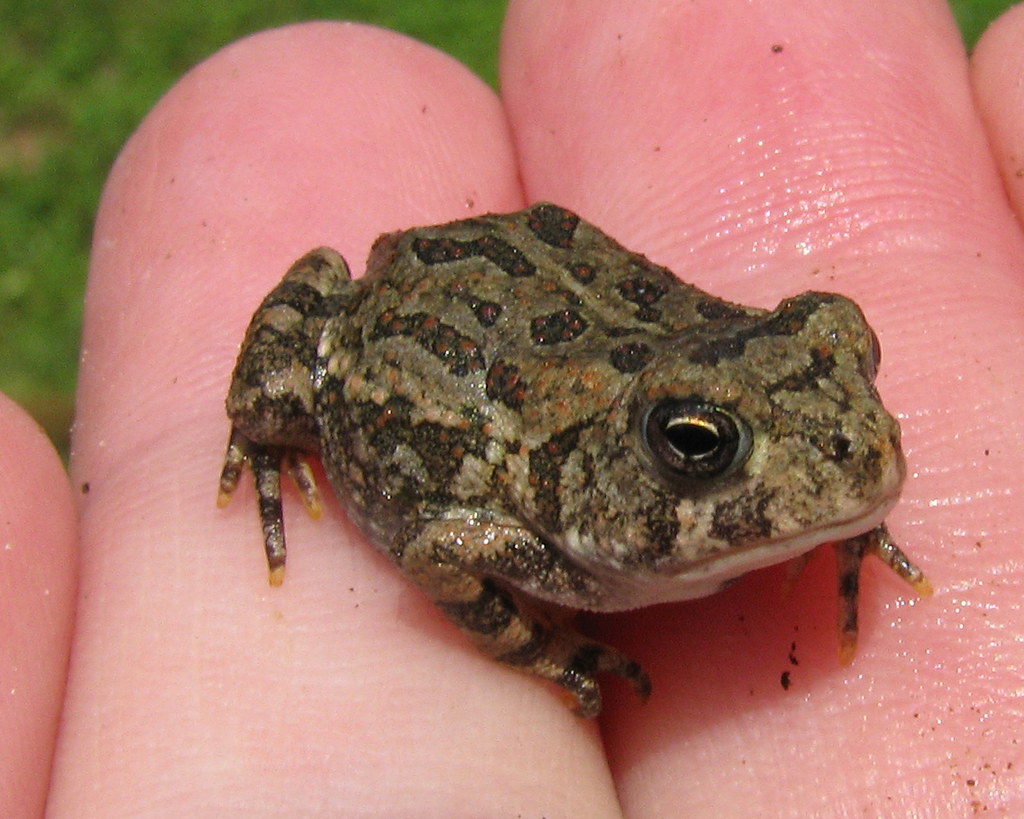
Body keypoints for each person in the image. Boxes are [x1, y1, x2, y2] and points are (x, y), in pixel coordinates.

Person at [6, 2, 1024, 814]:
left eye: (853, 364)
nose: (866, 437)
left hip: (557, 306)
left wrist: (844, 521)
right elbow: (440, 549)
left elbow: (814, 418)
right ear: (630, 462)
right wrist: (540, 647)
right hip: (403, 340)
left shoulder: (776, 424)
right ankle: (262, 442)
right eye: (699, 446)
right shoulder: (541, 523)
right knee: (278, 398)